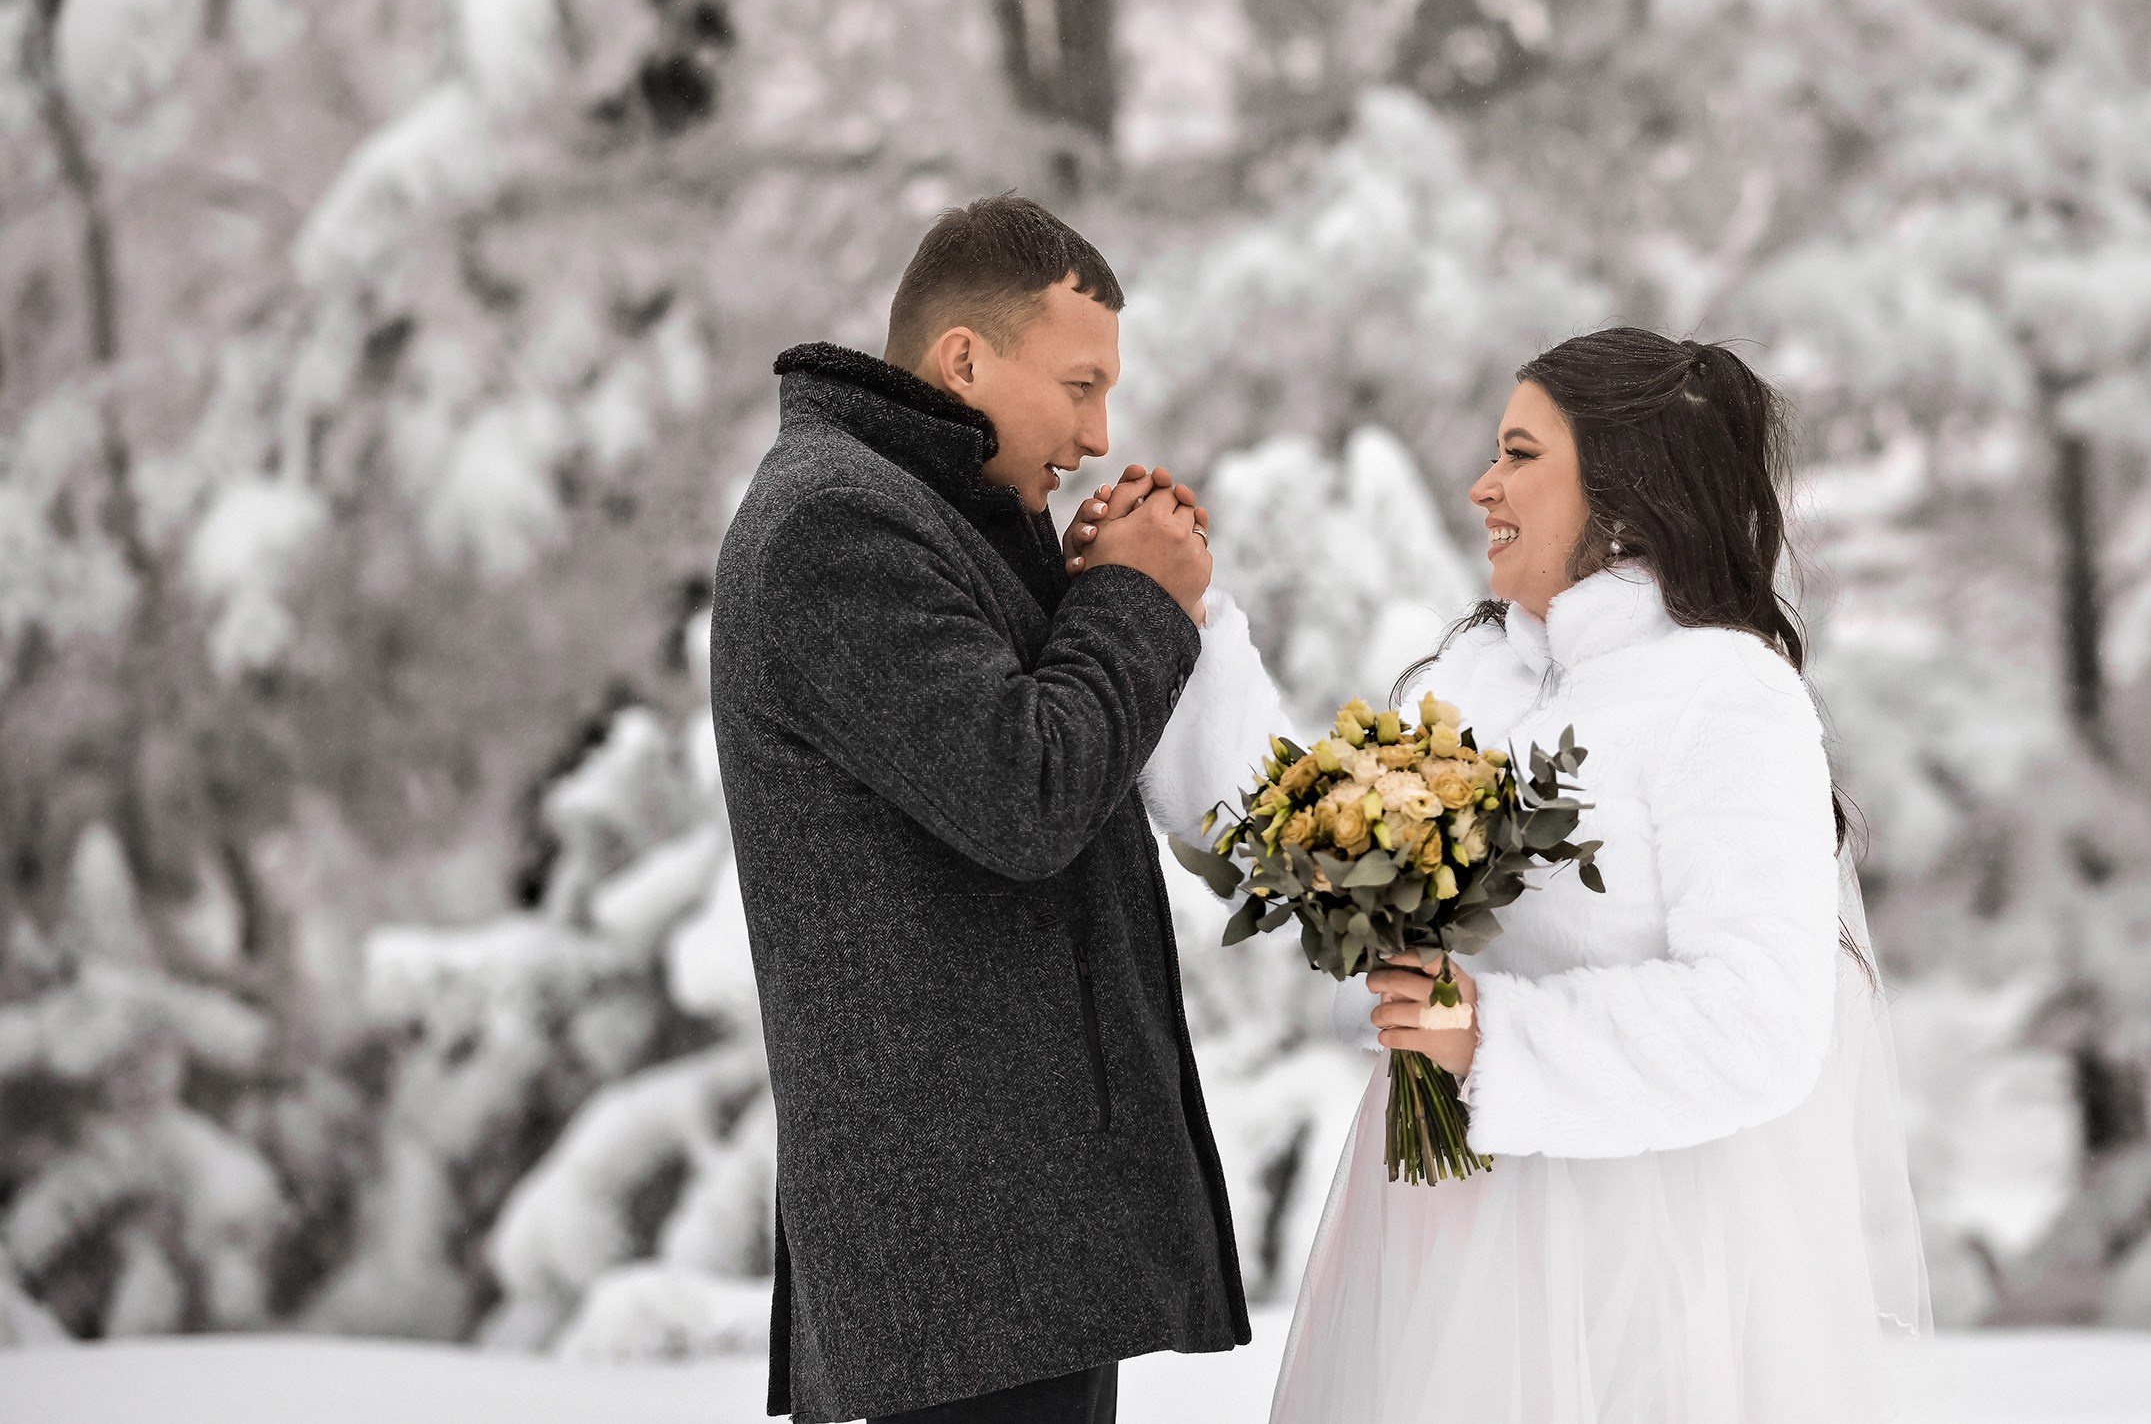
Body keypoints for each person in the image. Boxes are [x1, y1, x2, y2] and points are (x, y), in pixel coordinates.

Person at [1098, 327, 1929, 1424]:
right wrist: (1179, 623)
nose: (1483, 483)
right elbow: (1309, 852)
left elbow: (1762, 1022)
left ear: (1624, 486)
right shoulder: (1480, 675)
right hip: (1445, 1250)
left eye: (1521, 454)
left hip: (1634, 1272)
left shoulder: (1727, 696)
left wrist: (1490, 1039)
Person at [709, 194, 1248, 1424]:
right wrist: (1134, 602)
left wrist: (1089, 583)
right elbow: (1025, 791)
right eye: (1077, 384)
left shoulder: (927, 516)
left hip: (1002, 1250)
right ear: (965, 357)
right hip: (957, 1256)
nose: (1099, 433)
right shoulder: (831, 524)